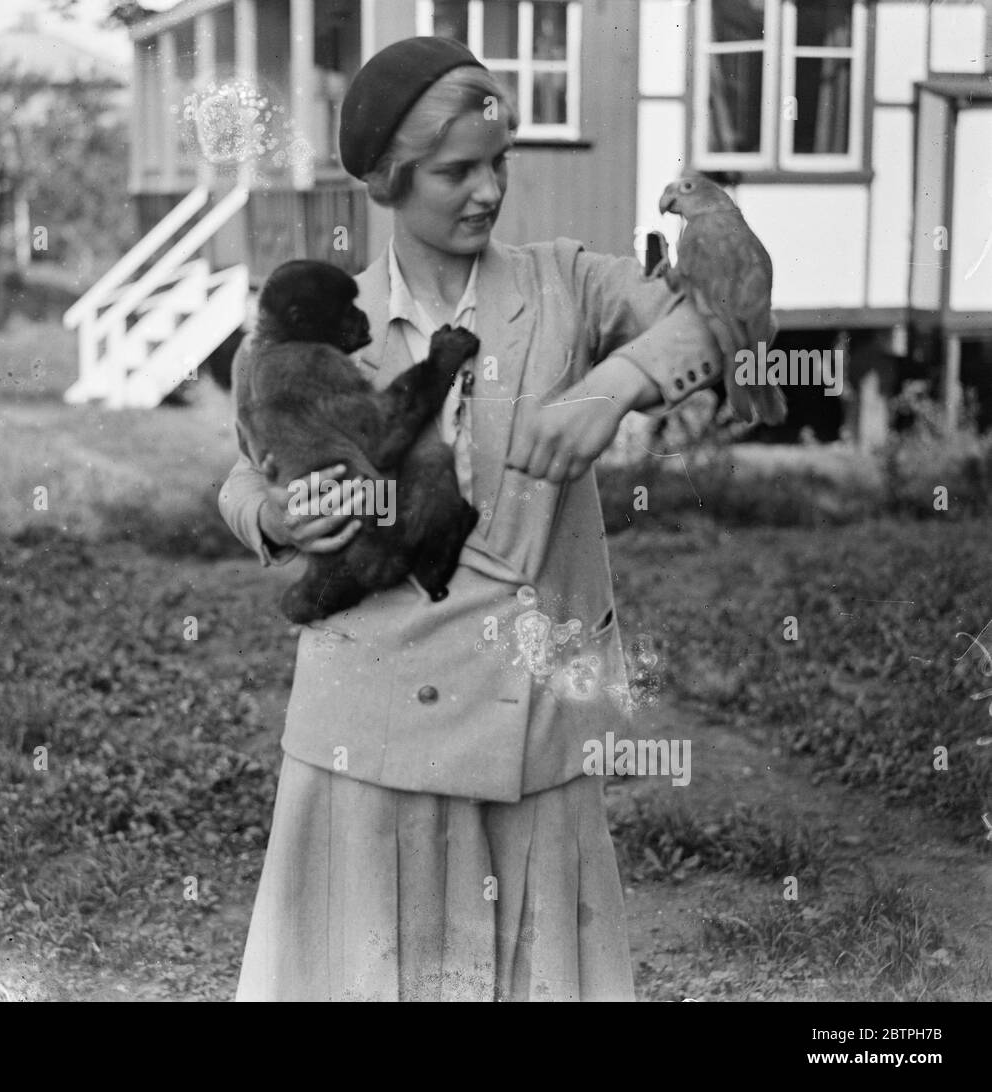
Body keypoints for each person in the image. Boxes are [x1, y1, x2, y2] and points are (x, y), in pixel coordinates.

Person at [218, 36, 744, 1001]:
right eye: (457, 171)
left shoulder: (563, 283)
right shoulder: (330, 311)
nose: (488, 191)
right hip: (367, 725)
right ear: (387, 180)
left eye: (500, 164)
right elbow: (241, 469)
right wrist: (276, 517)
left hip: (530, 718)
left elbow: (726, 314)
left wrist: (613, 388)